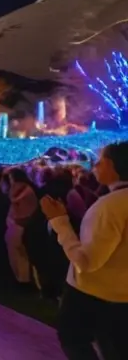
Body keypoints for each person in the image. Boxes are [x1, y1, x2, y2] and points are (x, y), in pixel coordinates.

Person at [40, 142, 128, 360]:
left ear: (111, 164)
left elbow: (87, 262)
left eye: (99, 161)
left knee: (74, 338)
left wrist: (59, 222)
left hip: (94, 292)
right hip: (120, 293)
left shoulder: (110, 206)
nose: (94, 167)